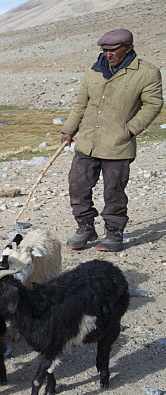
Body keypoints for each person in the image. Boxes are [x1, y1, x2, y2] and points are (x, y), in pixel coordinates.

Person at [60, 29, 163, 252]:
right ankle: (85, 228)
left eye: (112, 49)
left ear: (128, 48)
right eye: (104, 50)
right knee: (77, 187)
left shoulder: (147, 73)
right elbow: (81, 104)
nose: (107, 54)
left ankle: (114, 233)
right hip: (87, 142)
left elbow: (153, 104)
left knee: (114, 191)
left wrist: (130, 130)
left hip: (118, 146)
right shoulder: (93, 71)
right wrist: (69, 130)